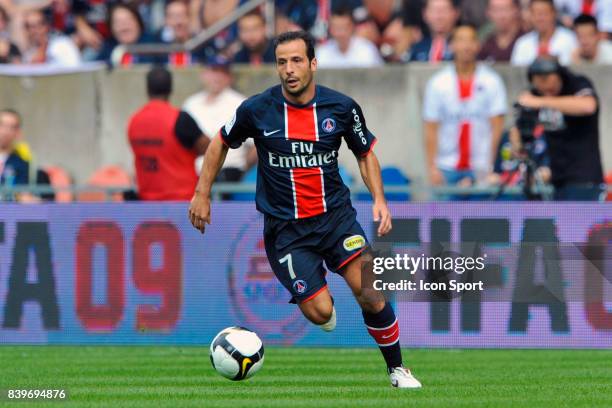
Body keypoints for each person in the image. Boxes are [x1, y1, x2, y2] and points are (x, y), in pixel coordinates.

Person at [188, 30, 422, 389]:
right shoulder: (257, 109)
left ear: (312, 63)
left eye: (297, 60)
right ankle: (318, 300)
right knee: (321, 313)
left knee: (371, 291)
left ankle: (398, 370)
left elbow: (365, 153)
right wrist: (202, 193)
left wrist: (379, 198)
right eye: (282, 62)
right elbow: (220, 141)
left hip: (336, 220)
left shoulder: (341, 107)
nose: (289, 69)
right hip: (287, 232)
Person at [424, 25, 507, 190]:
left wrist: (491, 165)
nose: (466, 46)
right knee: (444, 215)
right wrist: (432, 167)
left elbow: (497, 126)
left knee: (481, 216)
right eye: (460, 40)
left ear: (478, 45)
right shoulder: (438, 83)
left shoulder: (492, 81)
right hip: (446, 166)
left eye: (471, 40)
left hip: (481, 167)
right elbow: (431, 126)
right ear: (451, 45)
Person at [514, 57, 604, 200]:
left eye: (549, 84)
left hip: (583, 176)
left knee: (579, 221)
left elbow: (588, 106)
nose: (546, 90)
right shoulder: (536, 94)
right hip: (556, 176)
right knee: (558, 221)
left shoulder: (577, 84)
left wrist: (541, 101)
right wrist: (519, 146)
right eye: (540, 85)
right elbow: (518, 126)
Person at [128, 66, 210, 201]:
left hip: (147, 203)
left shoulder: (134, 121)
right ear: (171, 89)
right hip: (182, 201)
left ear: (147, 89)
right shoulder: (180, 118)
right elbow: (209, 148)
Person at [182, 56, 256, 183]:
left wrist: (244, 169)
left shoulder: (240, 103)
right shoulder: (191, 104)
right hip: (194, 173)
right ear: (204, 74)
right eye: (213, 71)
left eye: (222, 72)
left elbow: (256, 144)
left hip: (228, 172)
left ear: (229, 77)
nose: (217, 77)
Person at [510, 0, 578, 66]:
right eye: (536, 13)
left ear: (554, 13)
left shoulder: (570, 39)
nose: (540, 18)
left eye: (544, 13)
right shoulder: (522, 44)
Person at [316, 7, 384, 69]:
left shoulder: (367, 50)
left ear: (352, 27)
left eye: (344, 28)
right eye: (336, 28)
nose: (341, 33)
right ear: (330, 29)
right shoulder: (322, 52)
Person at [159, 0, 199, 66]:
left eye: (182, 15)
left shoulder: (201, 47)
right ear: (166, 21)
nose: (178, 22)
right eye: (173, 17)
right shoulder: (157, 49)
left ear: (189, 18)